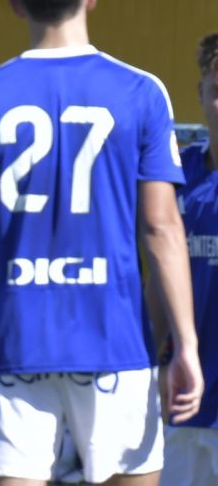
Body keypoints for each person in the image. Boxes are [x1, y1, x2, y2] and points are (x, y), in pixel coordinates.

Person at [0, 0, 203, 484]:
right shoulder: (140, 92)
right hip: (114, 339)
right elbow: (162, 228)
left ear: (16, 4)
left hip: (17, 338)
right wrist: (187, 345)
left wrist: (14, 293)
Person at [156, 33, 218, 486]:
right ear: (199, 94)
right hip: (182, 402)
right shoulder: (175, 178)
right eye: (216, 90)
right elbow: (153, 281)